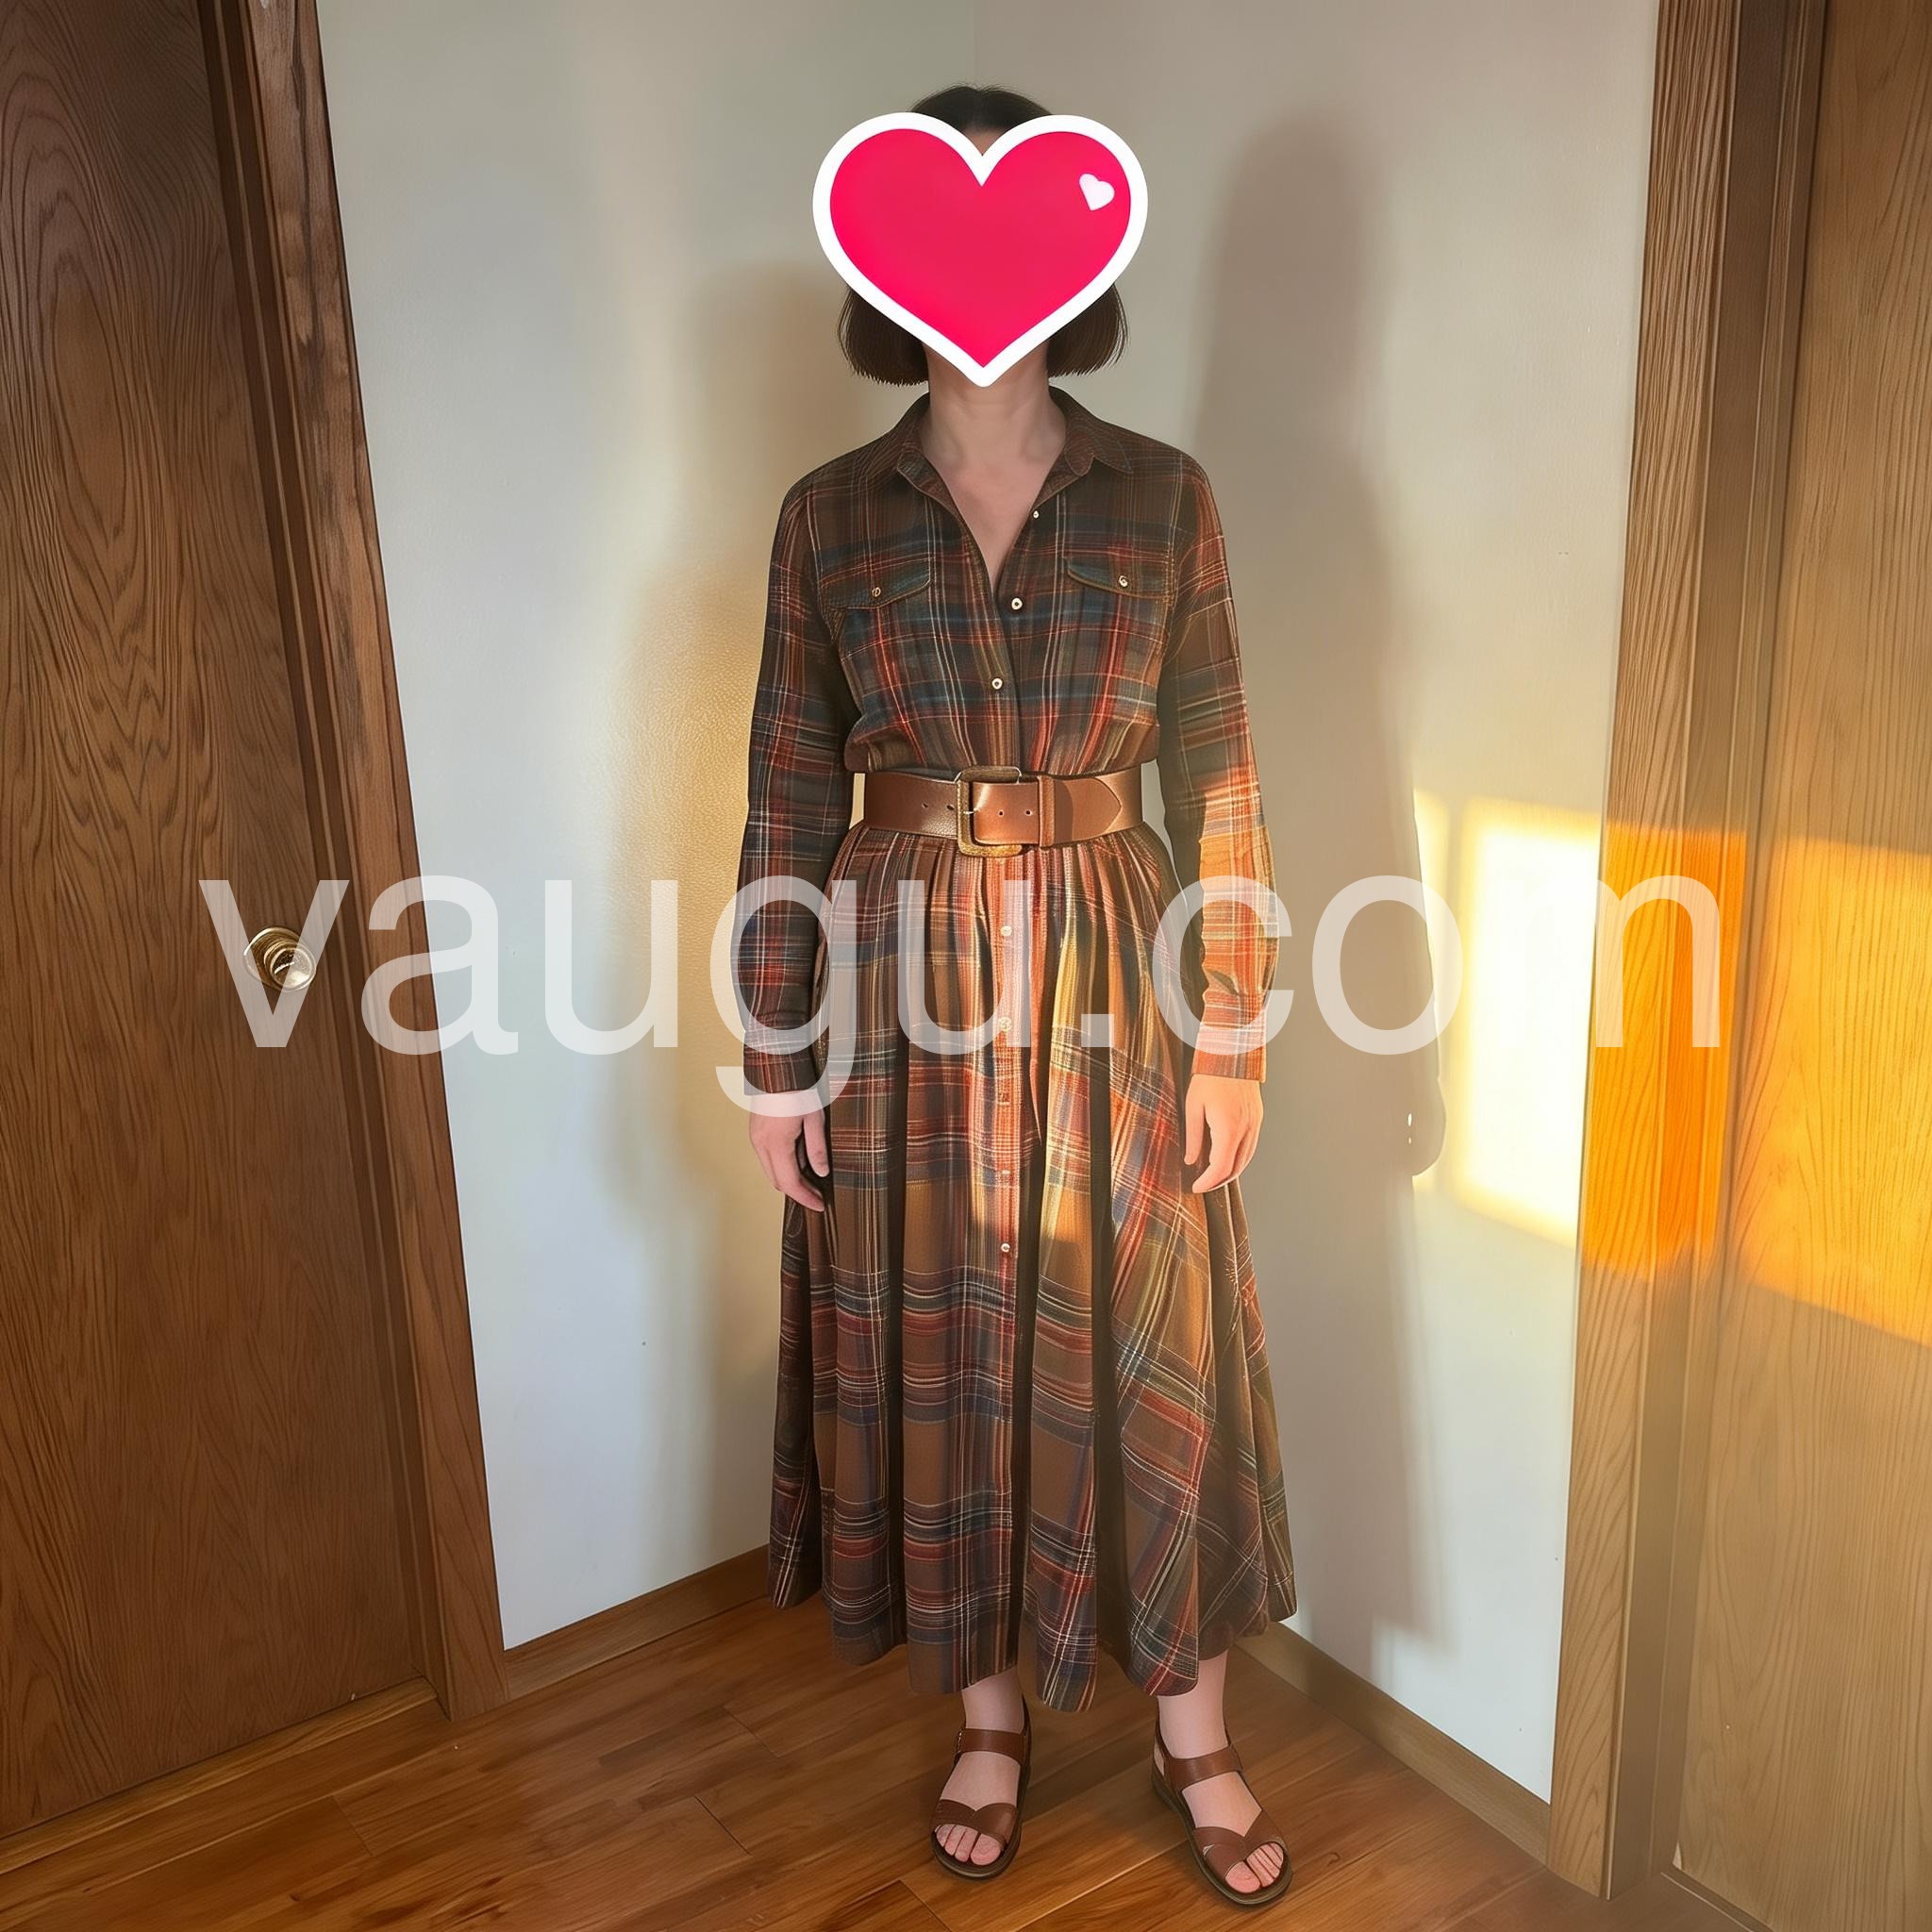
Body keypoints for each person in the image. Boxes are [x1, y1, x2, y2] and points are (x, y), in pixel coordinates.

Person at [735, 84, 1294, 1906]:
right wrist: (776, 1054)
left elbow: (1219, 769)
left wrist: (1234, 1028)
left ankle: (1194, 1733)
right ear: (887, 272)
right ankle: (990, 1721)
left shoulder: (1164, 498)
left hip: (1118, 958)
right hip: (897, 973)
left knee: (1152, 1332)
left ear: (1080, 264)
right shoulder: (829, 518)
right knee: (948, 1342)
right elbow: (788, 788)